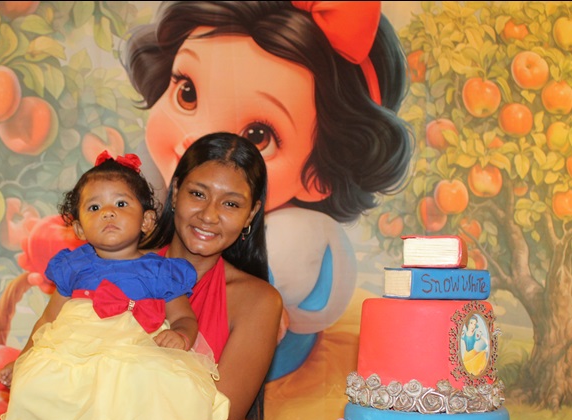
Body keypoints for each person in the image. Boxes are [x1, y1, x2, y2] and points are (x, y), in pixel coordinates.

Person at [124, 0, 412, 378]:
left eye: (258, 136)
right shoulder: (149, 193)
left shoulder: (290, 247)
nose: (200, 143)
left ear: (319, 175)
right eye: (188, 93)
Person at [64, 132, 283, 420]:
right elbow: (63, 391)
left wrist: (108, 390)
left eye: (231, 203)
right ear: (175, 192)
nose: (209, 215)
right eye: (198, 194)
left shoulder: (257, 301)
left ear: (251, 215)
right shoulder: (108, 270)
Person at [0, 151, 230, 420]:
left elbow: (185, 317)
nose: (108, 212)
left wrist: (181, 335)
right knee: (31, 390)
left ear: (147, 220)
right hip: (74, 348)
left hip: (135, 349)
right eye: (95, 207)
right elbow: (47, 320)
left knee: (163, 386)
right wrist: (22, 360)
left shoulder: (161, 270)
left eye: (121, 204)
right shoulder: (73, 266)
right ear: (79, 226)